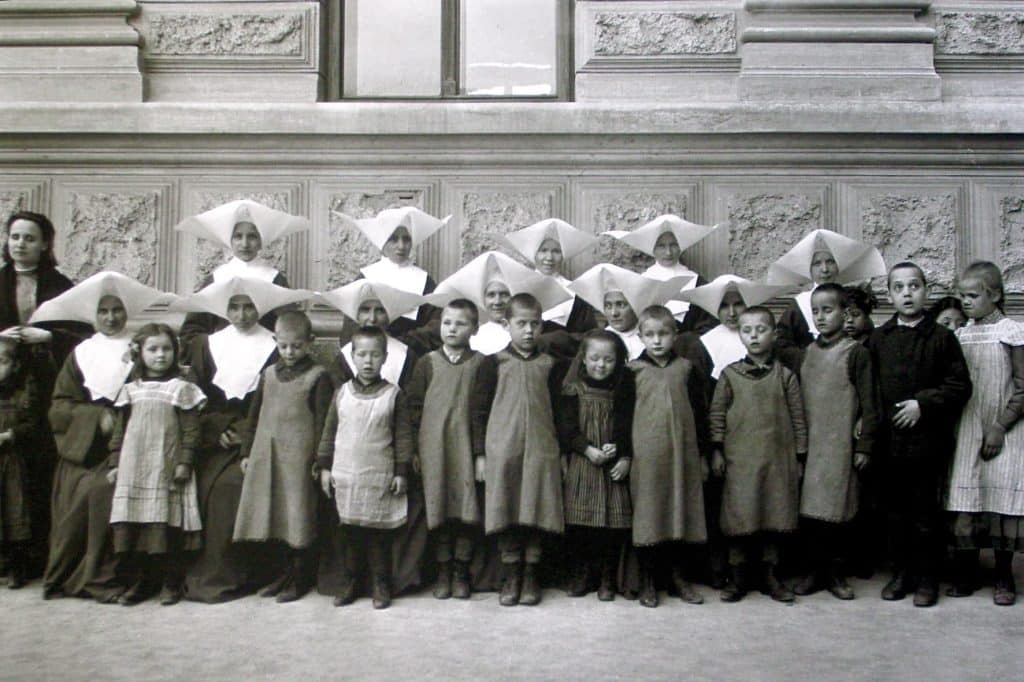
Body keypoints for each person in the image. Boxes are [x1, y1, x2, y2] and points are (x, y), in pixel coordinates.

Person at [179, 277, 311, 602]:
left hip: (262, 439)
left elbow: (285, 398)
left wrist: (246, 434)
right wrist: (216, 428)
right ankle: (205, 573)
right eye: (234, 307)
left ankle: (247, 575)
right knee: (204, 485)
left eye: (249, 305)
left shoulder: (277, 345)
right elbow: (193, 399)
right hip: (213, 440)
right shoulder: (205, 345)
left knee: (232, 488)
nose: (242, 314)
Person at [867, 262, 971, 607]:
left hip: (928, 441)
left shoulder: (941, 338)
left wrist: (923, 404)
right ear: (890, 295)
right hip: (890, 442)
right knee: (895, 513)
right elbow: (869, 388)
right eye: (899, 287)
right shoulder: (879, 339)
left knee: (926, 513)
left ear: (926, 291)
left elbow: (959, 385)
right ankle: (902, 574)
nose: (907, 293)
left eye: (914, 286)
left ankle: (927, 579)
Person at [317, 280, 427, 598]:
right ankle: (351, 581)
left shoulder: (403, 364)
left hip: (382, 468)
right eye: (365, 309)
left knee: (379, 531)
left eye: (380, 309)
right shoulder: (342, 385)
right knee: (349, 529)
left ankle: (382, 582)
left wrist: (403, 469)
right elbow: (330, 430)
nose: (373, 316)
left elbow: (405, 430)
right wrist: (324, 466)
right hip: (348, 469)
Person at [0, 211, 85, 576]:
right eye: (15, 237)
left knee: (36, 466)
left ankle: (33, 556)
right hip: (3, 384)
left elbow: (81, 334)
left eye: (30, 238)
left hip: (46, 386)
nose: (21, 244)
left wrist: (47, 337)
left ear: (45, 244)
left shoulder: (61, 286)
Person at [232, 311, 333, 603]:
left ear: (310, 342)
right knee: (273, 515)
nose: (290, 352)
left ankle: (300, 578)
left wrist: (320, 460)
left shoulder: (319, 377)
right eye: (284, 346)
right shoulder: (267, 375)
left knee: (297, 515)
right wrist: (246, 451)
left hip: (299, 461)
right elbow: (253, 416)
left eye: (297, 346)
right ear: (275, 341)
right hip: (268, 456)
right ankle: (281, 574)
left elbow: (324, 422)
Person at [710, 307, 807, 603]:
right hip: (740, 462)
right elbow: (716, 415)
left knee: (773, 515)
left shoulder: (785, 377)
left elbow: (798, 417)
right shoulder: (729, 375)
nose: (754, 335)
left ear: (774, 334)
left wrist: (800, 456)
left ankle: (769, 576)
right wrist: (717, 450)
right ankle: (738, 577)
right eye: (747, 330)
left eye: (761, 329)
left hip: (777, 461)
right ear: (740, 334)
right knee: (741, 516)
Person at [43, 293, 136, 602]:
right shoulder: (82, 353)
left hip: (131, 442)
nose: (111, 318)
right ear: (94, 316)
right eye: (104, 312)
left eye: (118, 310)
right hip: (87, 448)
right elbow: (59, 408)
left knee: (105, 491)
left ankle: (104, 577)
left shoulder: (142, 346)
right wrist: (96, 417)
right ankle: (72, 576)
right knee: (81, 489)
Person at [108, 323, 206, 606]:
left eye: (166, 349)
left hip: (166, 468)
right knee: (135, 529)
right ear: (140, 353)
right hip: (133, 467)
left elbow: (191, 431)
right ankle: (141, 582)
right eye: (153, 349)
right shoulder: (131, 389)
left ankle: (170, 582)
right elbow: (119, 431)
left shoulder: (182, 388)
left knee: (165, 527)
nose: (160, 355)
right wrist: (115, 462)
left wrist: (185, 462)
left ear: (176, 352)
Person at [793, 283, 878, 600]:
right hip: (811, 443)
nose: (821, 317)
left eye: (828, 310)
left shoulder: (856, 353)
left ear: (846, 314)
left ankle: (835, 573)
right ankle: (814, 571)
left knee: (838, 510)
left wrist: (865, 444)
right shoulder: (808, 353)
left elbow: (871, 404)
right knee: (811, 512)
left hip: (840, 443)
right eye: (816, 311)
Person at [945, 261, 1023, 606]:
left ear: (995, 295)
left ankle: (1004, 575)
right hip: (968, 426)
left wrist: (999, 427)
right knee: (967, 499)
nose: (965, 301)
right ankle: (967, 572)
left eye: (973, 295)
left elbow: (1023, 388)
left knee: (1002, 504)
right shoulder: (961, 334)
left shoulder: (1012, 332)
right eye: (961, 295)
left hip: (1004, 429)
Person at [405, 299, 494, 600]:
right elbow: (414, 410)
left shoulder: (481, 364)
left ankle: (461, 570)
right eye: (447, 323)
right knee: (439, 508)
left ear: (474, 329)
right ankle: (443, 570)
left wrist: (481, 454)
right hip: (434, 450)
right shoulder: (426, 363)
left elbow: (482, 412)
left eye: (460, 324)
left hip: (465, 450)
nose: (452, 329)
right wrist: (415, 452)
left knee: (465, 511)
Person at [482, 293, 566, 607]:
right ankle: (511, 573)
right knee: (507, 507)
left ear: (542, 325)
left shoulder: (550, 365)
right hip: (504, 448)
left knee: (535, 507)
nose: (528, 331)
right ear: (507, 325)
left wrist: (563, 450)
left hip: (542, 448)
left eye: (534, 324)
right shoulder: (495, 363)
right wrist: (482, 452)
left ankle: (531, 574)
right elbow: (480, 410)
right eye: (521, 324)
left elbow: (559, 410)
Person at [629, 306, 709, 608]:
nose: (657, 341)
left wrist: (703, 454)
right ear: (640, 338)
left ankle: (678, 578)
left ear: (675, 335)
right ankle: (649, 580)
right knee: (650, 513)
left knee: (679, 512)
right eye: (650, 335)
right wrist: (626, 455)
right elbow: (623, 418)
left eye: (663, 334)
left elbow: (700, 414)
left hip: (682, 456)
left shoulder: (686, 369)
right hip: (647, 458)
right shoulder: (634, 371)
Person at [560, 329, 634, 602]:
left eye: (608, 360)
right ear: (583, 359)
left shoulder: (623, 388)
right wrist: (587, 449)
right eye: (594, 359)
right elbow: (566, 428)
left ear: (618, 361)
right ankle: (583, 575)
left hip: (611, 468)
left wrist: (620, 449)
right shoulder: (572, 388)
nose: (600, 365)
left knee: (611, 528)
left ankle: (607, 578)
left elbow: (627, 423)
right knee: (582, 526)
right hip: (584, 463)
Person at [178, 201, 298, 344]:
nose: (245, 244)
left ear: (261, 240)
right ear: (230, 240)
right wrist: (211, 349)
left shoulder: (274, 279)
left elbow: (291, 327)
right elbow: (193, 328)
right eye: (238, 236)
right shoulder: (217, 278)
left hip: (264, 355)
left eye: (252, 236)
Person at [768, 229, 886, 352]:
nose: (824, 269)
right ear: (809, 269)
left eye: (830, 262)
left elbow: (868, 338)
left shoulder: (850, 299)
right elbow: (782, 342)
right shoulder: (800, 304)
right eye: (817, 263)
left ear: (838, 266)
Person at [603, 215, 718, 333]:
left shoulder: (697, 282)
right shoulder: (640, 282)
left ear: (681, 247)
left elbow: (708, 326)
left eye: (673, 245)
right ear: (652, 248)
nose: (668, 252)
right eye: (661, 246)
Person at [343, 206, 447, 337]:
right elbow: (350, 325)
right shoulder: (366, 277)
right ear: (382, 242)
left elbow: (436, 324)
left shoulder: (424, 281)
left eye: (406, 239)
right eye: (393, 239)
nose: (401, 246)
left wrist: (407, 344)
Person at [569, 263, 689, 362]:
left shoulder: (652, 338)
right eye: (608, 306)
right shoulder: (600, 341)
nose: (614, 313)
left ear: (635, 306)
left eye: (621, 305)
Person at [504, 218, 598, 335]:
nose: (549, 258)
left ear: (563, 255)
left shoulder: (574, 292)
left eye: (556, 251)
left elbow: (586, 334)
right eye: (543, 251)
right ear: (534, 254)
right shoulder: (517, 287)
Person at [0, 337, 41, 588]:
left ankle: (18, 565)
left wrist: (11, 435)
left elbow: (34, 425)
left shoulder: (22, 393)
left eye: (2, 361)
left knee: (15, 509)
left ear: (15, 365)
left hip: (13, 462)